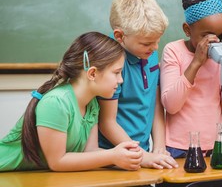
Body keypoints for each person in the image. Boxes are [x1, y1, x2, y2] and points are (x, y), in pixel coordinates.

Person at [0, 32, 143, 172]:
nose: (121, 80)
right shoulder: (56, 103)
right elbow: (57, 162)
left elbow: (90, 151)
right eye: (116, 72)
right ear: (92, 73)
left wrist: (125, 157)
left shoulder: (92, 104)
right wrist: (112, 156)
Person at [98, 0, 178, 169]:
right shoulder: (110, 61)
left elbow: (155, 104)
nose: (155, 47)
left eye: (158, 41)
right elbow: (106, 122)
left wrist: (158, 147)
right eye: (147, 43)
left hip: (143, 153)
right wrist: (142, 157)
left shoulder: (149, 52)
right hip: (114, 159)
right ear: (120, 36)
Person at [160, 0, 222, 158]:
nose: (216, 41)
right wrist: (196, 63)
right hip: (178, 148)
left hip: (215, 146)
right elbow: (171, 105)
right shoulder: (173, 51)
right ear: (187, 30)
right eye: (207, 35)